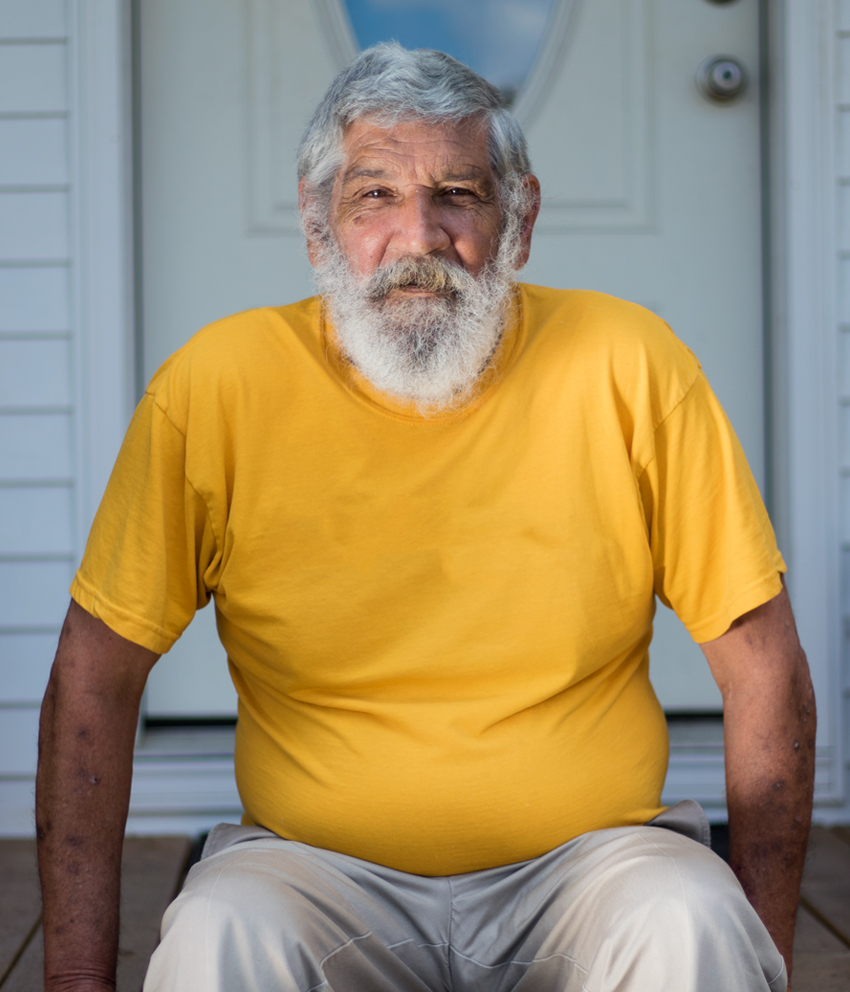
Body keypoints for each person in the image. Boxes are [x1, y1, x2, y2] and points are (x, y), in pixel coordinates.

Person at [36, 43, 814, 992]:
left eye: (459, 194)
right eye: (374, 197)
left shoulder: (632, 363)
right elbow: (93, 674)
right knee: (213, 935)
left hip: (593, 867)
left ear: (520, 219)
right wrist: (78, 977)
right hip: (313, 871)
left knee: (693, 920)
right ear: (318, 225)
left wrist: (761, 953)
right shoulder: (217, 386)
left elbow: (763, 666)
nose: (419, 237)